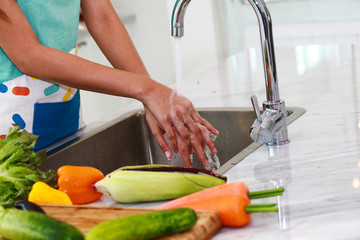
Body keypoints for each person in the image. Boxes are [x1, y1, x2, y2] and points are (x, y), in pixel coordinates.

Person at [0, 0, 218, 168]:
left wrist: (149, 95)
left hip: (63, 112)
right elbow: (27, 55)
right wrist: (147, 89)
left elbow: (102, 16)